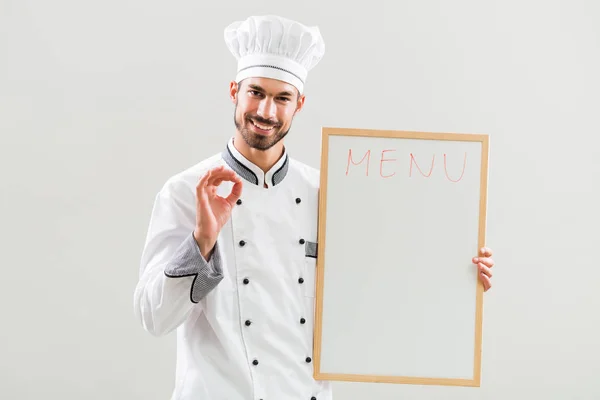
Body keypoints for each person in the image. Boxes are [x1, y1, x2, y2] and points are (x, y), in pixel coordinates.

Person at [133, 14, 496, 400]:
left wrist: (456, 276)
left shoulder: (329, 193)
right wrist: (202, 239)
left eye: (282, 98)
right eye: (255, 92)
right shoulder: (185, 191)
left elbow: (378, 287)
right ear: (234, 90)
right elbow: (154, 318)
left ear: (299, 103)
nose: (266, 112)